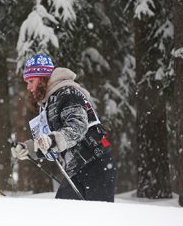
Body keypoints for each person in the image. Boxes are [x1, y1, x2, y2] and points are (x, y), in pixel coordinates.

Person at [11, 54, 117, 202]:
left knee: (97, 220)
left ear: (42, 79)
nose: (28, 87)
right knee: (62, 217)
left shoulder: (67, 93)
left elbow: (78, 127)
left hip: (95, 163)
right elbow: (50, 142)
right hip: (75, 169)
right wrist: (28, 148)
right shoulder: (49, 104)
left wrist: (53, 139)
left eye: (31, 81)